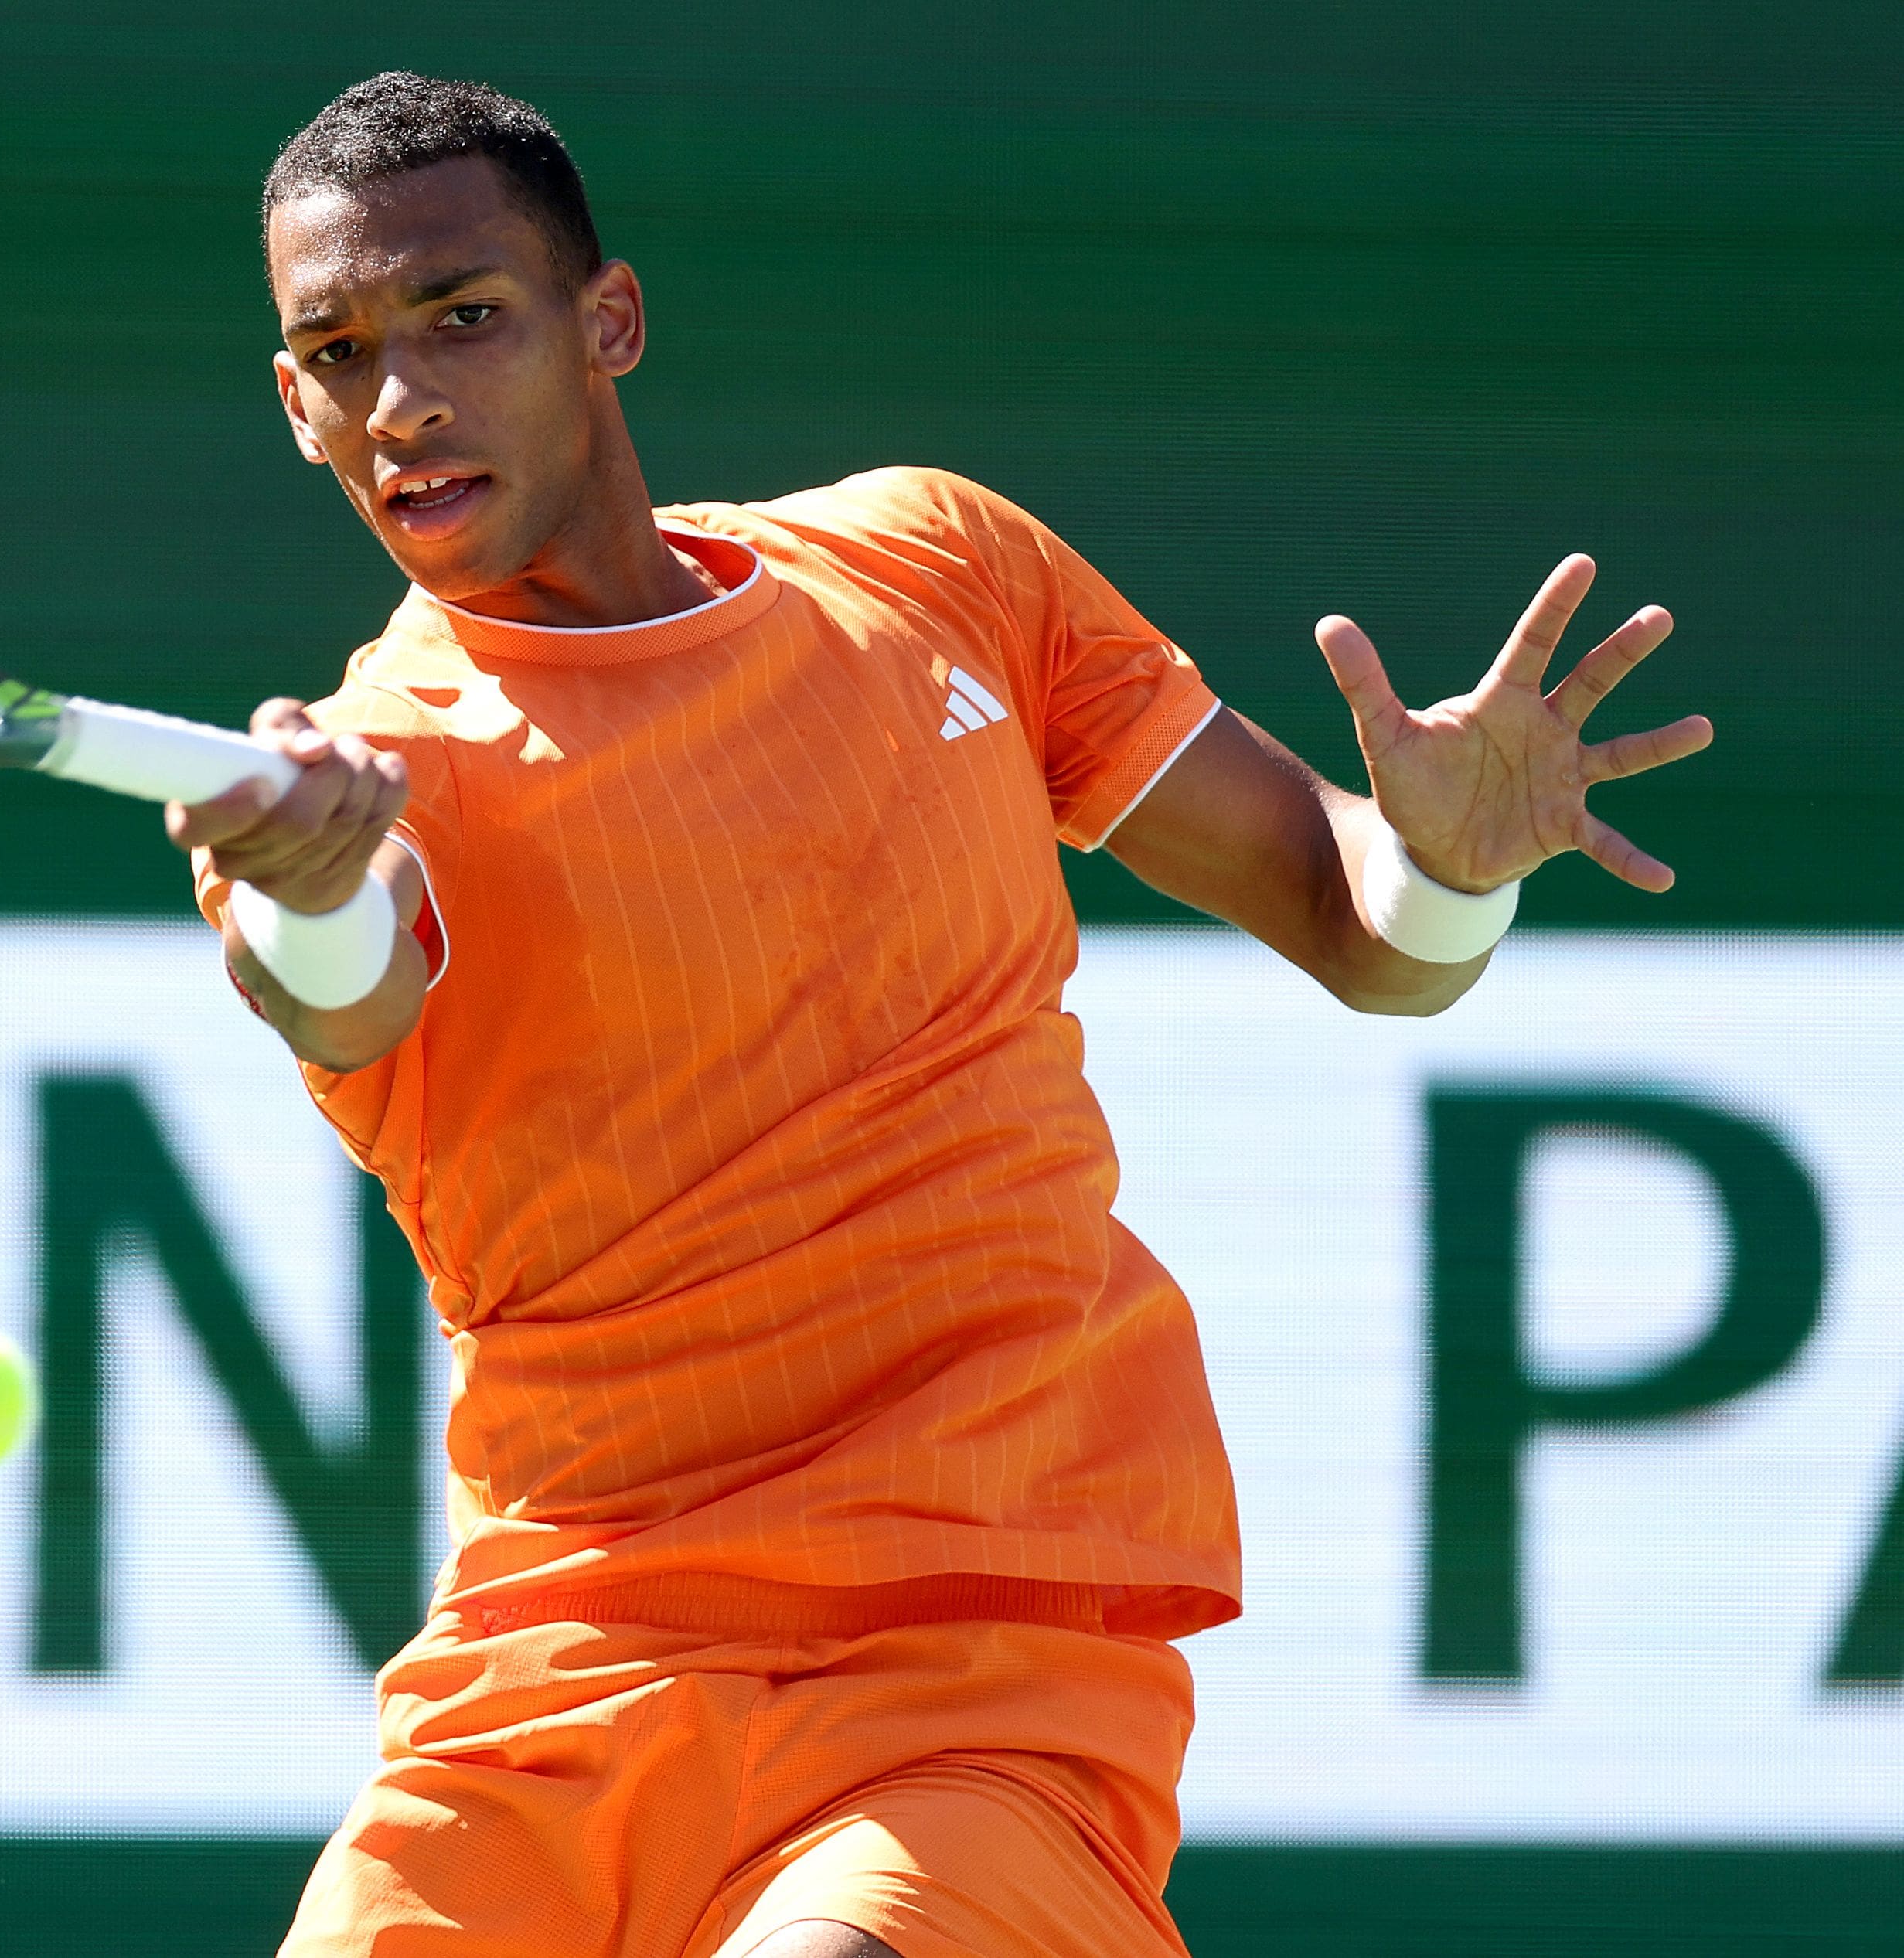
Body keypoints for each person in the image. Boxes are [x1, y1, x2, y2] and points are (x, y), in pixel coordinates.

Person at [167, 71, 1712, 1958]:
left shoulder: (939, 565)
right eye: (333, 351)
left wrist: (1451, 862)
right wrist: (311, 891)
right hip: (555, 1686)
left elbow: (1364, 930)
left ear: (611, 323)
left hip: (981, 1666)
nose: (395, 398)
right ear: (291, 404)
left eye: (459, 318)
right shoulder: (370, 778)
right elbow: (341, 983)